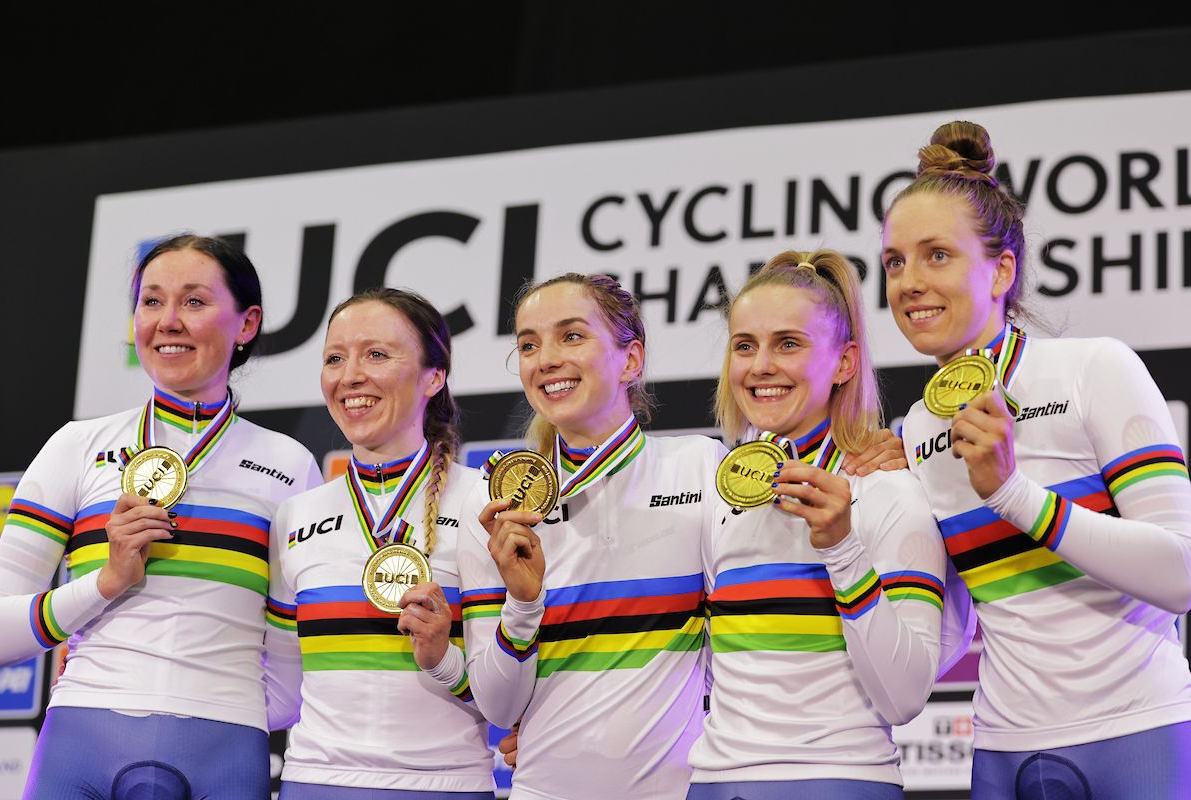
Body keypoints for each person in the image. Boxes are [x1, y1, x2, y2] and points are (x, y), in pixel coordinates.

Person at [882, 120, 1191, 799]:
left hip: (1137, 731)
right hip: (1002, 748)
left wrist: (1014, 492)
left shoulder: (1093, 368)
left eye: (937, 255)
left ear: (1001, 269)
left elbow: (1180, 573)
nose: (909, 282)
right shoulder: (916, 431)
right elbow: (954, 628)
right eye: (895, 262)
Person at [0, 234, 322, 799]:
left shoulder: (289, 465)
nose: (168, 320)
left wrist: (227, 703)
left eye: (194, 302)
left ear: (246, 324)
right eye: (151, 301)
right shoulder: (77, 445)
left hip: (227, 752)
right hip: (81, 739)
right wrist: (103, 585)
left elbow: (298, 657)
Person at [686, 251, 947, 800]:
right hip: (714, 782)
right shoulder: (717, 492)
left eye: (788, 343)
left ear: (845, 362)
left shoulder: (890, 492)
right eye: (744, 346)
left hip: (839, 779)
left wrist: (842, 549)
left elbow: (904, 698)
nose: (760, 367)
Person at [457, 273, 724, 800]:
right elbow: (499, 708)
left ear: (631, 360)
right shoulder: (495, 506)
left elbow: (740, 644)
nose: (546, 359)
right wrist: (523, 603)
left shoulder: (698, 468)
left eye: (571, 336)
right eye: (528, 345)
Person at [264, 288, 494, 798]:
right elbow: (279, 695)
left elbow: (512, 692)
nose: (350, 377)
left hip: (447, 786)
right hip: (313, 783)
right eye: (334, 358)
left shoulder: (485, 502)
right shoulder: (295, 515)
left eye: (377, 355)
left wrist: (443, 660)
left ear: (435, 376)